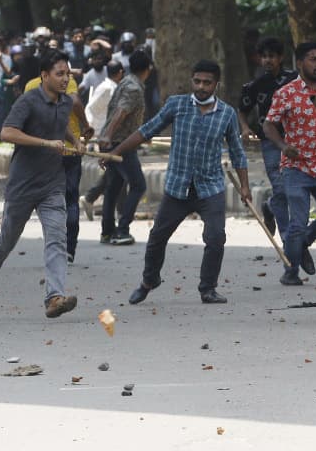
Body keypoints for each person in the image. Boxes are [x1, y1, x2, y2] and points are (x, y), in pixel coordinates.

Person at [118, 60, 250, 305]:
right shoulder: (176, 105)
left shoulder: (227, 114)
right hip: (178, 186)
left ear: (216, 85)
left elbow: (237, 152)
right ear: (192, 81)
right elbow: (147, 130)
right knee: (157, 237)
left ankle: (208, 288)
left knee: (215, 237)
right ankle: (149, 281)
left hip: (210, 187)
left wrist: (245, 186)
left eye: (207, 83)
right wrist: (118, 150)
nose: (201, 87)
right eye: (197, 81)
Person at [0, 50, 82, 318]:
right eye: (59, 74)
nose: (65, 78)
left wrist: (74, 141)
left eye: (67, 73)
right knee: (7, 240)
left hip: (52, 183)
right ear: (44, 76)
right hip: (22, 185)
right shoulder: (28, 101)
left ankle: (54, 297)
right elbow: (7, 132)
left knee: (57, 239)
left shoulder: (65, 102)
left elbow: (59, 125)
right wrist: (45, 143)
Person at [262, 41, 316, 286]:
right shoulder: (285, 93)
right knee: (297, 223)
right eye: (312, 59)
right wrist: (283, 146)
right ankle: (291, 271)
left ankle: (301, 244)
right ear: (299, 63)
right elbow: (269, 124)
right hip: (296, 167)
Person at [23, 66, 93, 264]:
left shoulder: (31, 86)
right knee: (70, 198)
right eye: (61, 71)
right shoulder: (67, 82)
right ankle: (68, 248)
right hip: (68, 150)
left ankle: (54, 248)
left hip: (43, 151)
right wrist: (85, 125)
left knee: (48, 201)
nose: (64, 76)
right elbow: (76, 101)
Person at [238, 37, 297, 238]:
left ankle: (270, 207)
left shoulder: (295, 79)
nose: (267, 60)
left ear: (280, 58)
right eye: (263, 57)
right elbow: (242, 109)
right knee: (279, 188)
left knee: (295, 187)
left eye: (271, 56)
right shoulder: (255, 85)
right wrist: (245, 128)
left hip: (297, 141)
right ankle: (288, 238)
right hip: (270, 142)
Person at [98, 49, 152, 246]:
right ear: (149, 69)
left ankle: (107, 231)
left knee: (114, 186)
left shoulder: (127, 81)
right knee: (138, 185)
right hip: (120, 143)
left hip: (117, 140)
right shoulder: (134, 88)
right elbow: (121, 112)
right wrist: (108, 137)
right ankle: (122, 231)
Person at [80, 62, 125, 221]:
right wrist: (92, 130)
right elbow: (90, 108)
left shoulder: (113, 88)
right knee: (119, 171)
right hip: (106, 135)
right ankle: (120, 212)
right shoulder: (106, 88)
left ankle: (91, 199)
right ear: (120, 72)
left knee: (116, 171)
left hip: (111, 134)